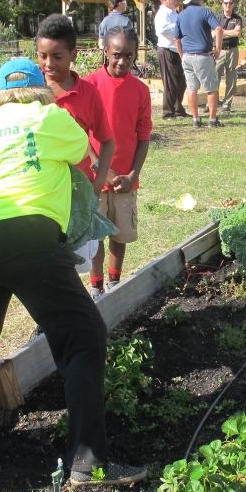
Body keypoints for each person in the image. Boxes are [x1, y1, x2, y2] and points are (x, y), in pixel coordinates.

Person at [0, 58, 147, 486]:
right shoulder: (48, 115)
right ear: (42, 89)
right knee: (83, 334)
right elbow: (80, 151)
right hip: (20, 233)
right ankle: (87, 464)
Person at [85, 27, 152, 298]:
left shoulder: (140, 90)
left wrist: (131, 175)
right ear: (105, 52)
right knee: (95, 234)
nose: (122, 61)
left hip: (125, 179)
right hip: (95, 178)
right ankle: (96, 285)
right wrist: (100, 168)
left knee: (120, 233)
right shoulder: (89, 86)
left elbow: (144, 137)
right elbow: (79, 132)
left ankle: (114, 281)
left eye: (128, 55)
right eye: (116, 54)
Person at [36, 13, 114, 193]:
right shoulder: (31, 90)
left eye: (57, 56)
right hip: (40, 189)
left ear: (73, 55)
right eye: (43, 56)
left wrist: (97, 182)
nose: (49, 63)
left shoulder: (88, 93)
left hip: (77, 188)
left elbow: (107, 142)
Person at [174, 0, 223, 128]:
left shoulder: (181, 15)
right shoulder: (205, 11)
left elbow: (177, 39)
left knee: (192, 88)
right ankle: (212, 120)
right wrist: (218, 49)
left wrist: (181, 54)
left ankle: (196, 119)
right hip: (203, 55)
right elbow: (218, 29)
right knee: (211, 88)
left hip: (187, 56)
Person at [154, 0, 188, 120]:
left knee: (181, 81)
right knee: (171, 82)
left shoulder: (175, 12)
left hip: (177, 50)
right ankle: (168, 112)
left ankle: (178, 110)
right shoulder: (162, 13)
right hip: (167, 50)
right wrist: (179, 26)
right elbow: (162, 29)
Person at [206, 0, 242, 114]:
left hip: (232, 50)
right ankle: (211, 103)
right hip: (219, 50)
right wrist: (224, 33)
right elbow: (213, 34)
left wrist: (221, 32)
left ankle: (227, 105)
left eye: (230, 3)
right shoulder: (216, 18)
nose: (228, 5)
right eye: (226, 3)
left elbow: (237, 32)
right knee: (214, 76)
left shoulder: (237, 19)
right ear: (222, 4)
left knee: (231, 78)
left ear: (233, 4)